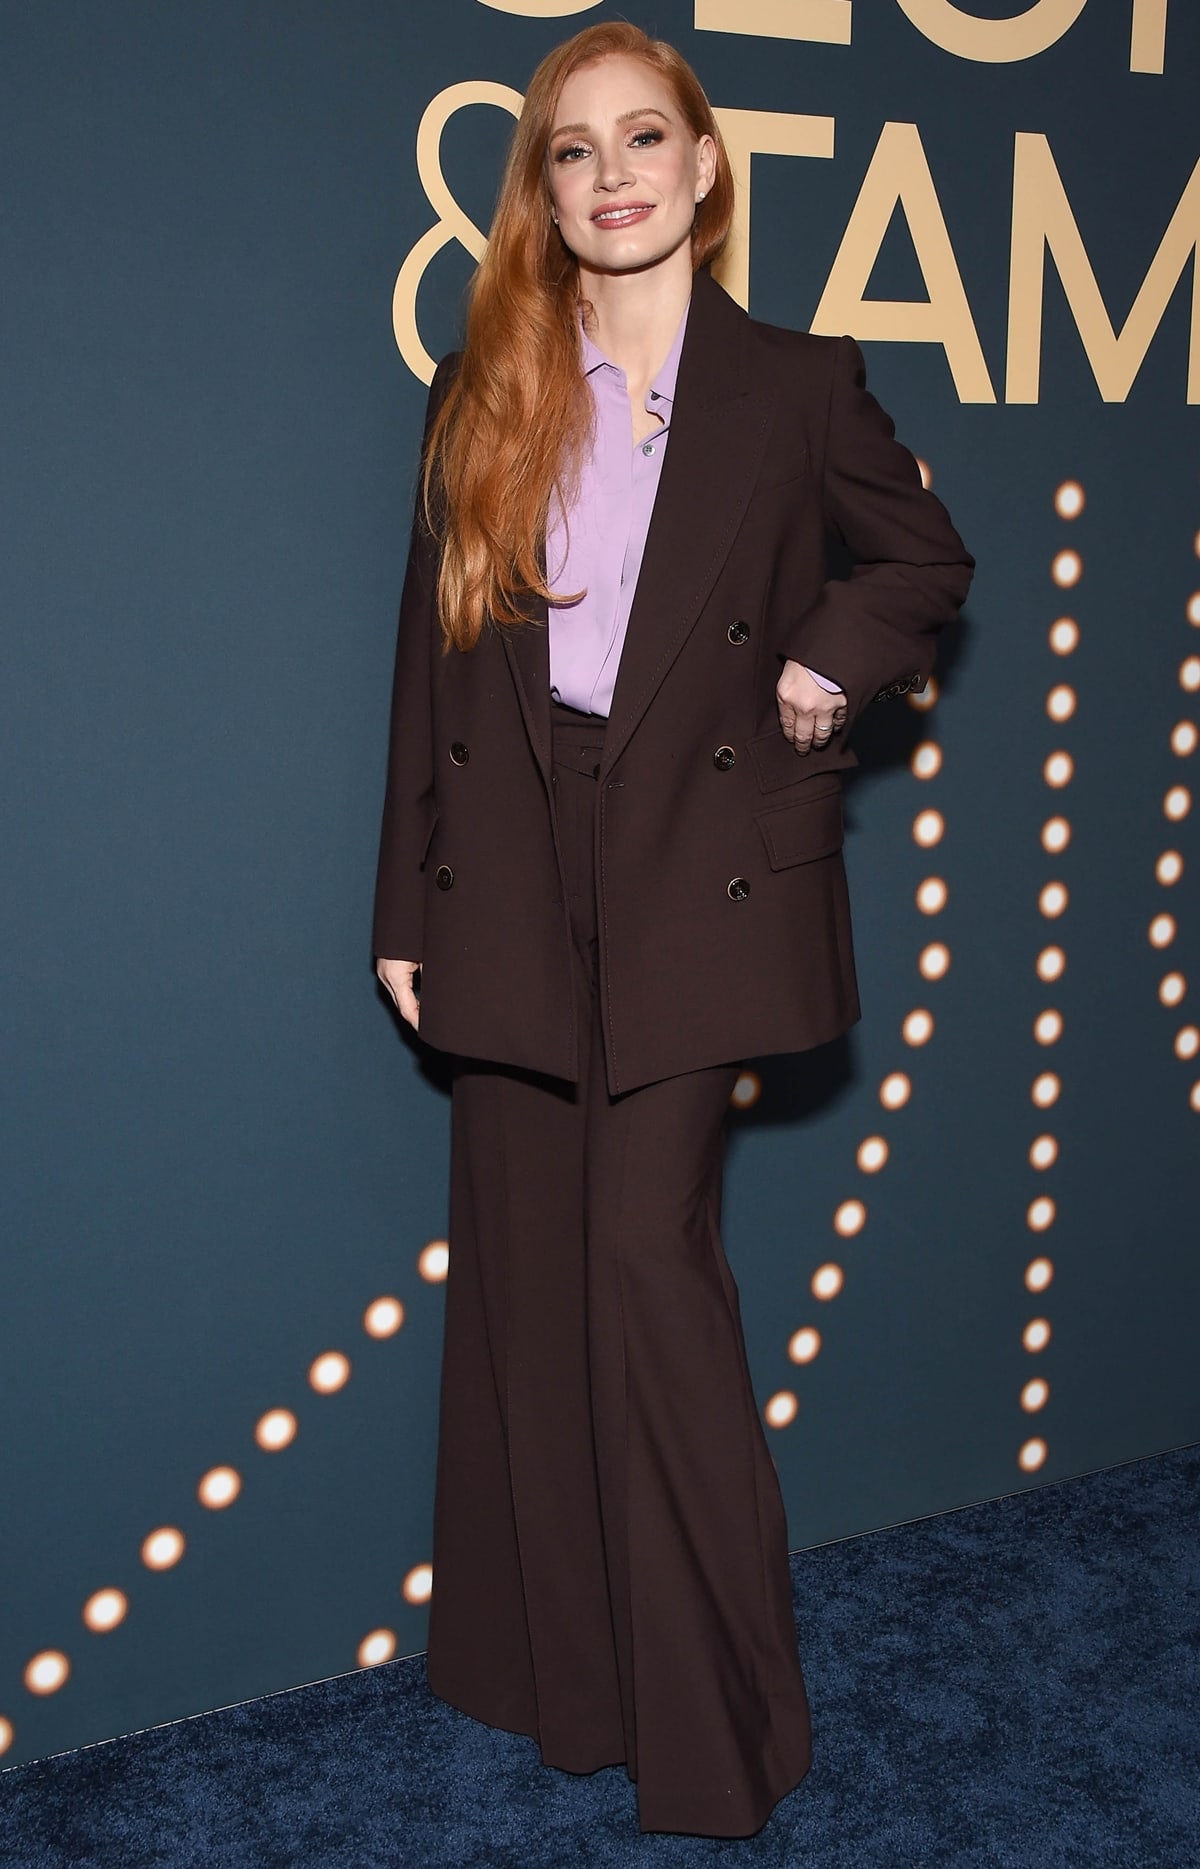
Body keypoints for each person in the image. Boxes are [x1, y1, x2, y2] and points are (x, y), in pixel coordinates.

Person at [373, 19, 974, 1840]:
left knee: (644, 1262)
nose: (613, 173)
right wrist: (404, 898)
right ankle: (563, 1686)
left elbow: (923, 563)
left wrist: (828, 662)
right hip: (510, 859)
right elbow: (429, 663)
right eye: (575, 149)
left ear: (705, 168)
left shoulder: (794, 385)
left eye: (645, 138)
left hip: (696, 866)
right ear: (543, 192)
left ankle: (724, 1727)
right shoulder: (485, 385)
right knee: (530, 1277)